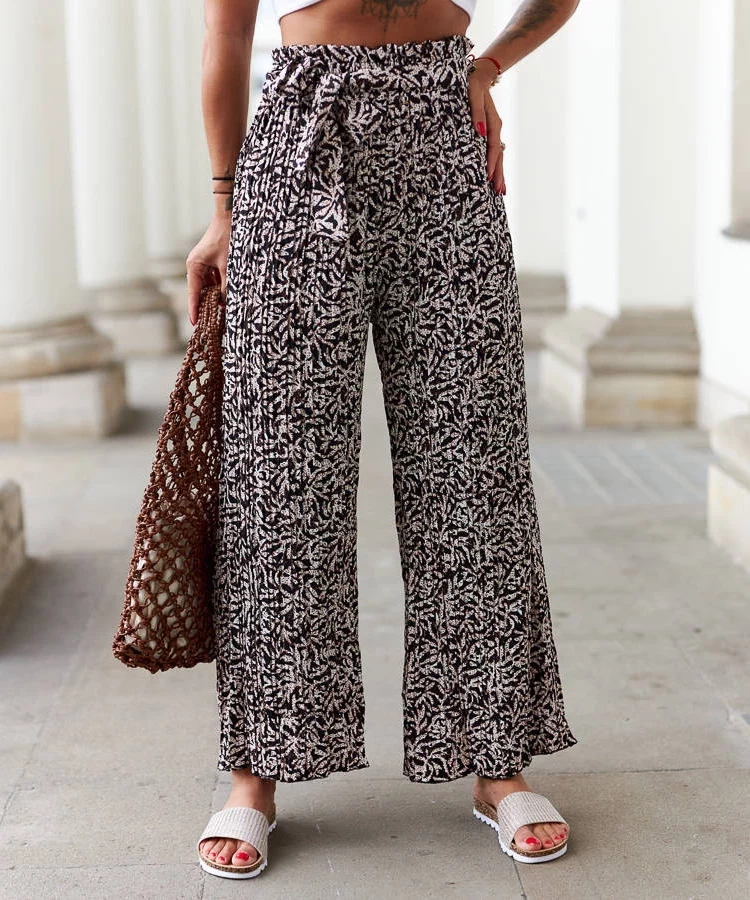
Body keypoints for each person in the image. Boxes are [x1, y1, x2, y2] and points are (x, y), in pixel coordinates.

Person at [188, 0, 580, 880]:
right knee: (279, 477)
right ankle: (255, 771)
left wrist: (487, 66)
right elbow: (227, 36)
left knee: (474, 467)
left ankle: (498, 761)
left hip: (444, 138)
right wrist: (223, 206)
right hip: (299, 143)